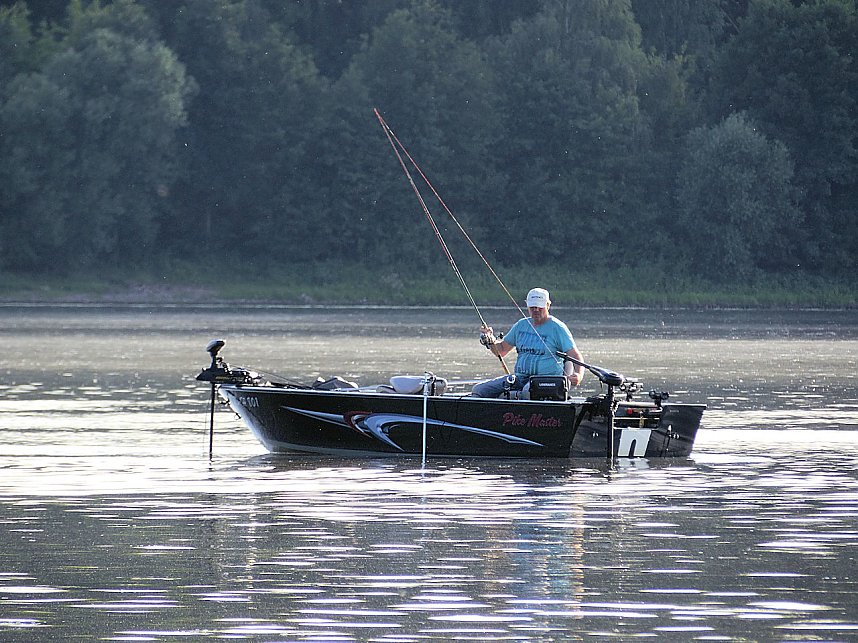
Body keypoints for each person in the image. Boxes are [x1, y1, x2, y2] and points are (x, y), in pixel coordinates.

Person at [472, 287, 584, 398]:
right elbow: (501, 350)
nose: (536, 310)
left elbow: (575, 355)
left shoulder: (557, 328)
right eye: (532, 307)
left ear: (548, 305)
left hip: (546, 382)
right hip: (519, 378)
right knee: (479, 390)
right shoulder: (521, 325)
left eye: (539, 307)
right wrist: (490, 340)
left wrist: (578, 375)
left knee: (527, 391)